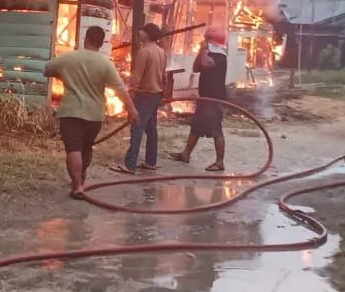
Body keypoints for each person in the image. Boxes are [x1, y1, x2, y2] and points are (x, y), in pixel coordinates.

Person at [44, 25, 137, 198]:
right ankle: (81, 178)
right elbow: (119, 88)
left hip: (71, 112)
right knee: (86, 149)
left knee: (73, 149)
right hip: (94, 114)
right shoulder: (105, 63)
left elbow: (47, 69)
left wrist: (65, 74)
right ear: (102, 44)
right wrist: (131, 109)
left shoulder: (69, 58)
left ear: (85, 39)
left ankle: (77, 185)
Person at [170, 27, 230, 171]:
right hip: (205, 97)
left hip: (214, 99)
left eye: (207, 39)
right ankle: (186, 154)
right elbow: (197, 67)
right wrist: (201, 50)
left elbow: (205, 63)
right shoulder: (209, 53)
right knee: (196, 127)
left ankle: (220, 162)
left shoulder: (220, 56)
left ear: (212, 42)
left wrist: (203, 49)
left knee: (216, 129)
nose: (203, 41)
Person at [113, 23, 166, 174]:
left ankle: (130, 164)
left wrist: (130, 97)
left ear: (147, 34)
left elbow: (136, 78)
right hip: (156, 94)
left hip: (144, 96)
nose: (139, 32)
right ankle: (150, 161)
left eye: (141, 30)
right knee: (151, 129)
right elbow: (164, 76)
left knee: (137, 128)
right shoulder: (161, 51)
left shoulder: (144, 52)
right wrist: (162, 93)